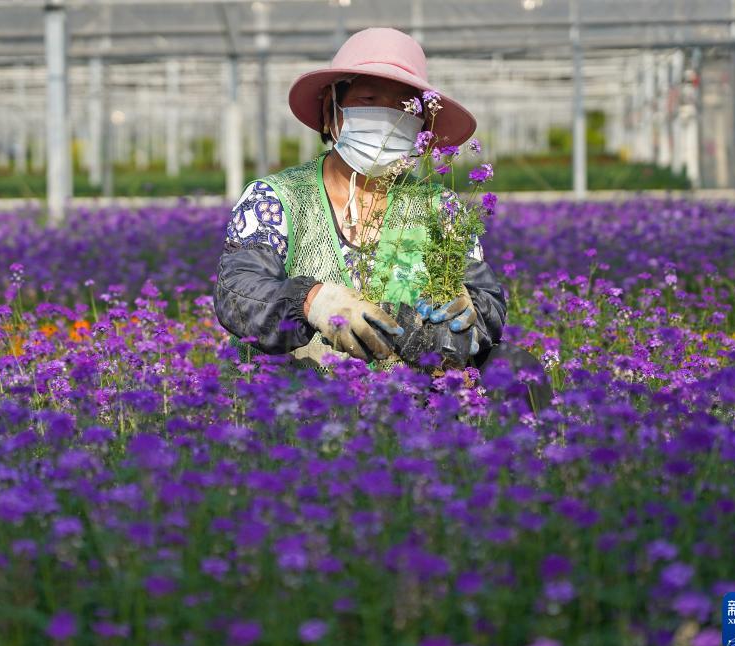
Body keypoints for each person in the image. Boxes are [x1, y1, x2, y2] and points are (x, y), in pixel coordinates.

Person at [214, 27, 553, 414]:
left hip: (408, 396)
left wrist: (468, 312)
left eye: (403, 107)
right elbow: (238, 289)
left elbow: (485, 300)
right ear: (332, 108)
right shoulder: (275, 198)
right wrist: (310, 301)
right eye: (369, 100)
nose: (388, 119)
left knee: (516, 370)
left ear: (421, 124)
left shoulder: (438, 206)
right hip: (302, 393)